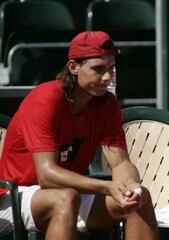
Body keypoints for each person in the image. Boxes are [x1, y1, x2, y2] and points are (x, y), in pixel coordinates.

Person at [0, 31, 159, 240]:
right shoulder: (45, 99)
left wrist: (131, 187)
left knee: (140, 200)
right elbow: (46, 176)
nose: (107, 77)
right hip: (13, 197)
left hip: (69, 193)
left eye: (111, 68)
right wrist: (107, 187)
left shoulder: (107, 104)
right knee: (65, 198)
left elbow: (120, 163)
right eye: (98, 69)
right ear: (74, 67)